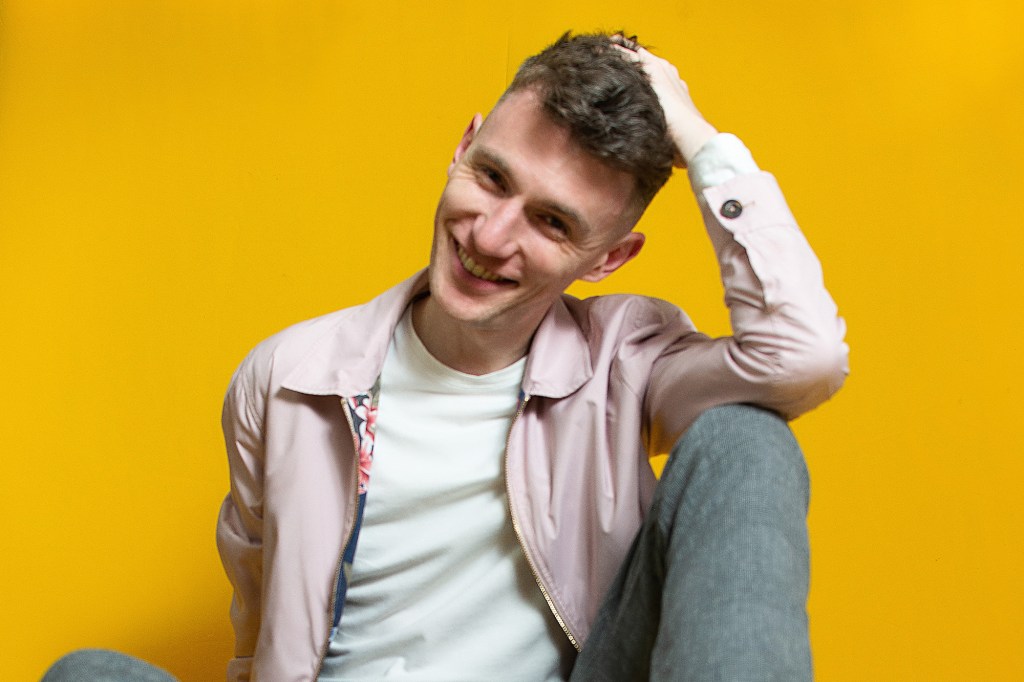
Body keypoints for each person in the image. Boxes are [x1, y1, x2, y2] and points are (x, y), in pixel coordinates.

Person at [43, 31, 847, 682]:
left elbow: (802, 354)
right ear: (463, 145)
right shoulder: (287, 380)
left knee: (746, 441)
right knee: (87, 675)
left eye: (553, 224)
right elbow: (263, 635)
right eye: (492, 177)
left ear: (608, 259)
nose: (489, 238)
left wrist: (702, 143)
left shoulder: (628, 363)